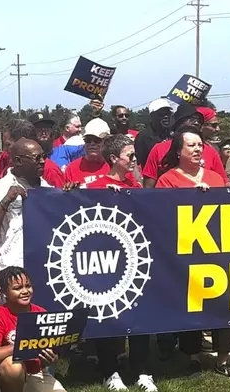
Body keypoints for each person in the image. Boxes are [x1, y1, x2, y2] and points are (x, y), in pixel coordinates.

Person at [155, 129, 230, 378]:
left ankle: (224, 360)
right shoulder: (167, 180)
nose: (197, 149)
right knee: (190, 307)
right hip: (184, 256)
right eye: (191, 145)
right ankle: (193, 357)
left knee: (224, 306)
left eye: (200, 145)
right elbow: (161, 214)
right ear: (178, 151)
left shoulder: (217, 177)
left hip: (218, 254)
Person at [87, 136, 156, 390]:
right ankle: (110, 371)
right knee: (106, 317)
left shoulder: (135, 186)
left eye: (135, 154)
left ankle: (142, 370)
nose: (135, 159)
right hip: (105, 263)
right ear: (114, 159)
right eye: (130, 155)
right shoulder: (95, 187)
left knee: (140, 315)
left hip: (134, 261)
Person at [0, 138, 53, 288]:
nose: (43, 161)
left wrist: (69, 196)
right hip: (12, 276)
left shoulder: (49, 190)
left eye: (44, 156)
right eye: (36, 158)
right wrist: (6, 200)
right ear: (18, 161)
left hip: (45, 271)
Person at [0, 266, 64, 392]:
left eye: (28, 286)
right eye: (17, 288)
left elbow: (53, 352)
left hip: (36, 373)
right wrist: (22, 344)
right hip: (4, 376)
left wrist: (51, 359)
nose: (25, 291)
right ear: (3, 291)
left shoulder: (41, 313)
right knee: (13, 366)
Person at [64, 119, 112, 187]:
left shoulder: (117, 167)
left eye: (97, 140)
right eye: (88, 139)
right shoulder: (72, 169)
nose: (92, 143)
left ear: (107, 141)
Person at [134, 99, 172, 169]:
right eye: (161, 114)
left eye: (168, 113)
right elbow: (138, 163)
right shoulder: (143, 137)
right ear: (152, 116)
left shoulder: (173, 134)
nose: (166, 116)